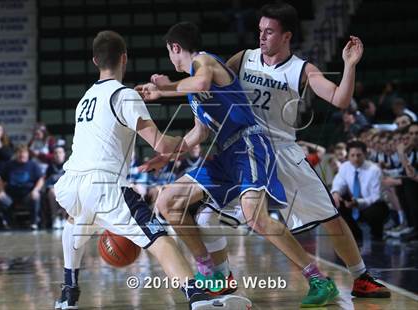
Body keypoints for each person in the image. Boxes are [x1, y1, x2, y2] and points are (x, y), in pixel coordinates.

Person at [139, 21, 339, 307]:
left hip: (248, 145)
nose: (171, 60)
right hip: (226, 156)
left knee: (255, 216)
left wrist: (165, 89)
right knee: (167, 202)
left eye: (169, 53)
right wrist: (165, 150)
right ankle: (213, 272)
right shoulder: (195, 94)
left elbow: (202, 82)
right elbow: (198, 134)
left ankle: (318, 279)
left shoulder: (203, 61)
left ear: (175, 48)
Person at [200, 2, 389, 298]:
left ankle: (360, 277)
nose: (262, 37)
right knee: (206, 216)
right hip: (245, 153)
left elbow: (339, 99)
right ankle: (222, 277)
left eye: (270, 32)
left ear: (287, 36)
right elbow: (210, 84)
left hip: (282, 153)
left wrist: (349, 65)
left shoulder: (302, 69)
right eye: (260, 30)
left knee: (330, 217)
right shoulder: (243, 58)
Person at [53, 30, 250, 310]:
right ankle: (199, 299)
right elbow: (160, 142)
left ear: (95, 61)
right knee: (160, 241)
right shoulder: (125, 95)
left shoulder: (85, 98)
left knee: (75, 224)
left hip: (71, 183)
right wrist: (179, 145)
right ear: (124, 59)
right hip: (104, 186)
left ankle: (67, 294)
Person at [331, 141, 389, 241]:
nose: (356, 158)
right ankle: (355, 233)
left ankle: (377, 233)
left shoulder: (374, 170)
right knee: (337, 201)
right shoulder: (345, 167)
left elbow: (376, 196)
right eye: (352, 155)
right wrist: (336, 193)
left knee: (375, 211)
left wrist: (358, 202)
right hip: (352, 201)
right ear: (348, 156)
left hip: (373, 204)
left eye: (359, 155)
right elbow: (339, 183)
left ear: (365, 154)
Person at [0, 144, 44, 229]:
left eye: (24, 153)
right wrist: (1, 191)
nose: (22, 155)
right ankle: (9, 223)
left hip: (27, 195)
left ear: (27, 154)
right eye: (19, 153)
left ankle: (34, 222)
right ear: (16, 154)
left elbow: (40, 179)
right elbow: (1, 179)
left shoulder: (33, 165)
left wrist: (35, 190)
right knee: (1, 199)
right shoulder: (9, 165)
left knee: (36, 197)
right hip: (11, 195)